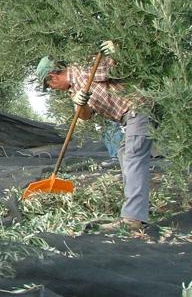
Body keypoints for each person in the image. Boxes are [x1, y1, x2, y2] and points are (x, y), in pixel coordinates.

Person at [35, 41, 153, 232]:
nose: (52, 89)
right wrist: (80, 104)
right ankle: (137, 209)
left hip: (138, 108)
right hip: (127, 118)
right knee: (125, 153)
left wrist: (116, 49)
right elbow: (86, 116)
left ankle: (133, 218)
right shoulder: (74, 89)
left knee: (133, 156)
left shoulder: (84, 70)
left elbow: (117, 66)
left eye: (48, 85)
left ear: (52, 77)